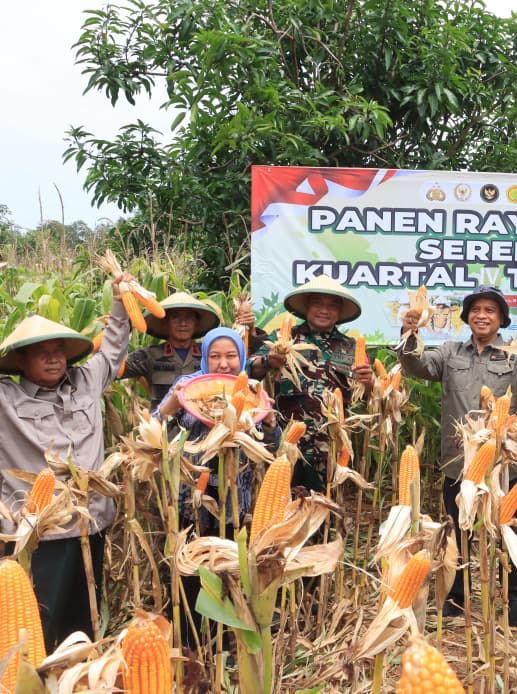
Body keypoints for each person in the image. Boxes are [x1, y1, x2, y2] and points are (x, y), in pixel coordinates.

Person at [397, 285, 517, 626]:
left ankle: (515, 605)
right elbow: (416, 365)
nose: (482, 315)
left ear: (501, 320)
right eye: (476, 309)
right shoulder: (450, 353)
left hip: (502, 465)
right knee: (458, 532)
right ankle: (456, 599)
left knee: (509, 531)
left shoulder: (515, 357)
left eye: (490, 310)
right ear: (466, 317)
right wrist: (409, 333)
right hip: (458, 463)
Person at [0, 272, 134, 649]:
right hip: (40, 534)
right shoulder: (5, 401)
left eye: (59, 350)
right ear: (21, 360)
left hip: (90, 525)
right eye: (42, 353)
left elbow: (111, 350)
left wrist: (121, 302)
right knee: (39, 622)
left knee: (84, 619)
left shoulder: (86, 382)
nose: (54, 359)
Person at [157, 326, 280, 648]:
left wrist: (269, 423)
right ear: (205, 357)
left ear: (240, 357)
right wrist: (172, 403)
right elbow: (155, 429)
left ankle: (226, 640)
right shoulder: (186, 387)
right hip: (191, 498)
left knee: (228, 568)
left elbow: (271, 446)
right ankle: (188, 637)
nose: (223, 364)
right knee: (191, 566)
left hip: (233, 501)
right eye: (215, 356)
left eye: (230, 356)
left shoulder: (252, 391)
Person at [250, 275, 374, 491]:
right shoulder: (282, 339)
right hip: (286, 444)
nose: (324, 310)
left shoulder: (351, 348)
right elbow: (249, 370)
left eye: (331, 305)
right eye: (317, 303)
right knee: (282, 509)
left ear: (339, 311)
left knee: (326, 514)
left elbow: (369, 399)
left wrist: (370, 384)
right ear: (306, 306)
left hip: (331, 449)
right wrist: (268, 360)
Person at [121, 291, 221, 409]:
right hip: (162, 425)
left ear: (196, 324)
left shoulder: (209, 354)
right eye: (175, 317)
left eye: (189, 318)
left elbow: (239, 369)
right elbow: (111, 369)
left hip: (200, 424)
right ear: (165, 323)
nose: (183, 323)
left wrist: (248, 330)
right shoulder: (149, 356)